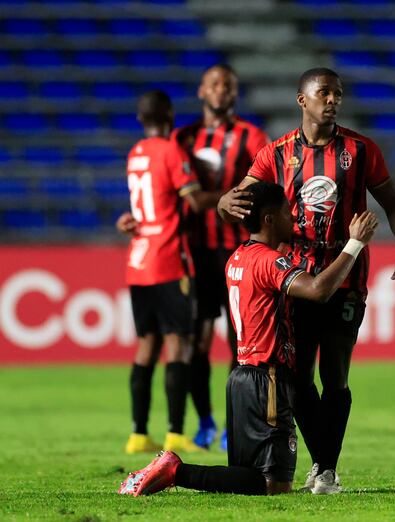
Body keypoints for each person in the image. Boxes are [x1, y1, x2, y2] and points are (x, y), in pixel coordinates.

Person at [218, 68, 395, 494]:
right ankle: (323, 463)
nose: (332, 100)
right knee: (298, 377)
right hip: (297, 279)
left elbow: (392, 203)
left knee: (336, 373)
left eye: (337, 94)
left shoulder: (361, 150)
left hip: (347, 277)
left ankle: (325, 468)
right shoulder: (276, 153)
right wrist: (222, 202)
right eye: (323, 92)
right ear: (301, 100)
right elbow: (240, 201)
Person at [118, 181, 379, 497]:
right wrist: (354, 244)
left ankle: (171, 471)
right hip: (267, 379)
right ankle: (176, 470)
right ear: (269, 219)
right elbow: (318, 290)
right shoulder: (269, 261)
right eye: (286, 212)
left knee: (245, 478)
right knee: (273, 485)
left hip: (239, 379)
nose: (293, 218)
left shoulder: (237, 258)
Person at [116, 90, 222, 455]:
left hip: (138, 259)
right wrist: (231, 194)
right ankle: (176, 432)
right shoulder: (170, 150)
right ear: (170, 115)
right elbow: (194, 200)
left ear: (139, 120)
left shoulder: (135, 154)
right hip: (167, 258)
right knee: (178, 342)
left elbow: (145, 205)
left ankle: (138, 434)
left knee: (147, 345)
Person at [173, 64, 270, 450]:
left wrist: (207, 201)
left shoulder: (251, 136)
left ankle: (234, 424)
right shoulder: (184, 138)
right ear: (201, 90)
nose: (220, 90)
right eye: (213, 83)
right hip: (195, 254)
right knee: (197, 342)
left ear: (235, 93)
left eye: (228, 85)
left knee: (238, 343)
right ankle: (206, 422)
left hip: (238, 253)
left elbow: (265, 184)